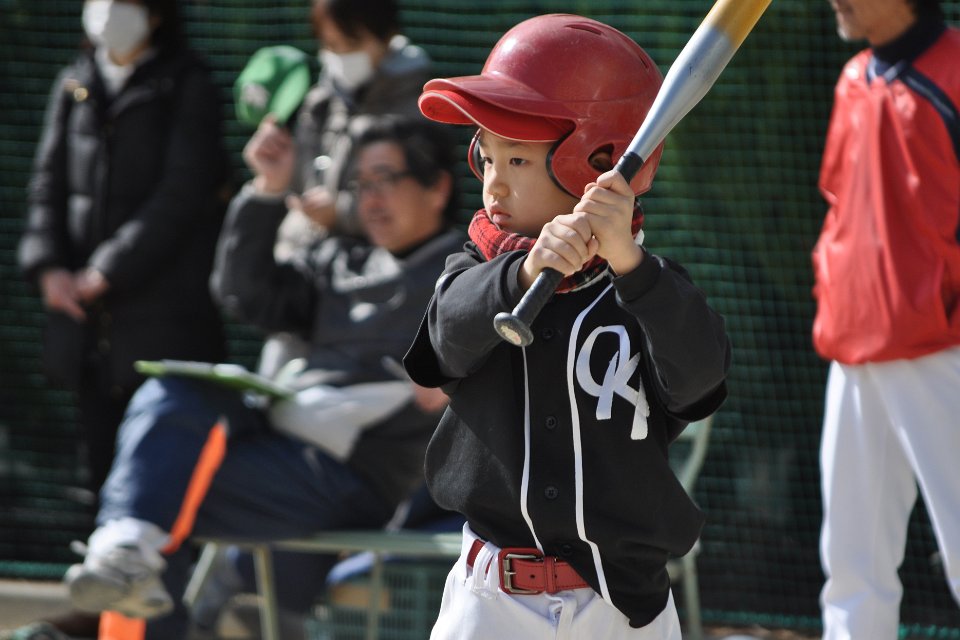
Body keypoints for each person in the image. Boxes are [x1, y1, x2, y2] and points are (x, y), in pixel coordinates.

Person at [61, 115, 465, 640]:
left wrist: (460, 371)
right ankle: (127, 548)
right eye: (361, 183)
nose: (370, 198)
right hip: (274, 437)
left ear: (437, 187)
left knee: (155, 490)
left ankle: (127, 548)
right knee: (169, 396)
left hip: (347, 476)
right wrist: (268, 190)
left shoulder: (466, 278)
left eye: (385, 179)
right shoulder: (340, 259)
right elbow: (246, 294)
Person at [403, 14, 731, 640]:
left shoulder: (652, 288)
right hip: (492, 599)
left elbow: (699, 382)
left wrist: (629, 263)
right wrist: (525, 272)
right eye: (486, 157)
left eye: (517, 159)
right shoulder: (478, 269)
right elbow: (443, 343)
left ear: (597, 162)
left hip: (622, 603)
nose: (495, 184)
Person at [14, 0, 231, 637]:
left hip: (165, 329)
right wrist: (47, 267)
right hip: (88, 335)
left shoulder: (187, 84)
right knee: (103, 496)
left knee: (158, 493)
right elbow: (46, 185)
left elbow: (183, 192)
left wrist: (107, 269)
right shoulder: (73, 82)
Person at [812, 1, 960, 638]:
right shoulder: (854, 76)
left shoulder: (954, 72)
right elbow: (839, 205)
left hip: (941, 351)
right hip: (852, 351)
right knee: (851, 566)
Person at [241, 0, 436, 377]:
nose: (340, 56)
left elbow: (416, 205)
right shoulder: (320, 100)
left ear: (386, 36)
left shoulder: (417, 104)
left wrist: (343, 212)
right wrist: (276, 174)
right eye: (330, 45)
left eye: (351, 43)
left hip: (376, 291)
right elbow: (299, 180)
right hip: (303, 274)